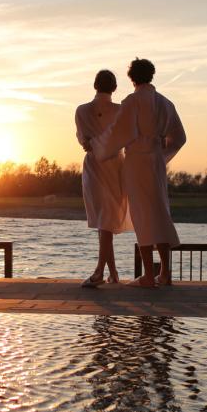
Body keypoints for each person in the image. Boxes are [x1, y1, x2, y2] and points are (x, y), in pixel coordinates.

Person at [91, 58, 186, 288]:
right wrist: (162, 154)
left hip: (136, 162)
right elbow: (180, 138)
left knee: (141, 214)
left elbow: (117, 132)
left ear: (132, 78)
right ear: (151, 76)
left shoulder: (132, 102)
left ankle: (147, 276)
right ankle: (165, 272)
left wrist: (98, 146)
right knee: (160, 212)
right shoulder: (166, 103)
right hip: (155, 163)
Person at [75, 69, 132, 287]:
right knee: (105, 221)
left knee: (104, 220)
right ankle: (113, 273)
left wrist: (92, 143)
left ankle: (100, 272)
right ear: (114, 88)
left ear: (95, 85)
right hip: (116, 165)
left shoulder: (82, 110)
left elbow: (84, 141)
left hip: (95, 164)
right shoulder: (120, 110)